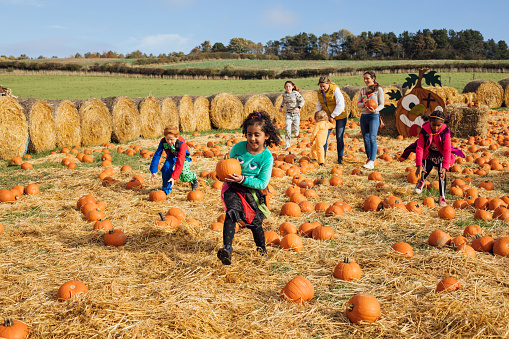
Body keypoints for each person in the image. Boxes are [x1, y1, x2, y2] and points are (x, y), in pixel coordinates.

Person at [217, 111, 282, 265]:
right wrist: (222, 175)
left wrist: (244, 179)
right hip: (233, 188)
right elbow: (227, 167)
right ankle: (227, 249)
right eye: (249, 134)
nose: (252, 138)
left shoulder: (266, 157)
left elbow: (262, 183)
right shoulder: (237, 148)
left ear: (266, 135)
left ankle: (261, 250)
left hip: (252, 192)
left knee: (255, 223)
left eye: (257, 135)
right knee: (231, 213)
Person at [400, 110, 465, 207]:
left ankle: (442, 196)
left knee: (442, 175)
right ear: (429, 122)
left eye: (438, 125)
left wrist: (445, 167)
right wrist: (418, 165)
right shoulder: (424, 131)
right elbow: (420, 147)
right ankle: (421, 180)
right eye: (433, 125)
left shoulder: (445, 132)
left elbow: (447, 149)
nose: (435, 128)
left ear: (443, 124)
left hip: (441, 155)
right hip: (429, 153)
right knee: (425, 168)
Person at [150, 125, 198, 194]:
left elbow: (180, 160)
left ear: (177, 137)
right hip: (171, 155)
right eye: (167, 139)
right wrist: (153, 170)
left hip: (184, 157)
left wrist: (174, 177)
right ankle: (166, 190)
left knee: (183, 173)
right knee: (166, 167)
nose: (169, 141)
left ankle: (193, 178)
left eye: (171, 139)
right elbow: (157, 155)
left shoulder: (181, 143)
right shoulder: (163, 142)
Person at [357, 71, 385, 170]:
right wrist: (363, 103)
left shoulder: (379, 90)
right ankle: (369, 159)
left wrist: (375, 110)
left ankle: (372, 161)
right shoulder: (362, 90)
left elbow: (382, 104)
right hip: (364, 117)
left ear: (373, 78)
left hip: (374, 117)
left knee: (372, 138)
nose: (365, 80)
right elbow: (358, 105)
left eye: (367, 78)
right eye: (364, 78)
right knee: (366, 139)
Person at [316, 76, 346, 164]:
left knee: (339, 137)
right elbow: (319, 105)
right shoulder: (319, 92)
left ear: (328, 84)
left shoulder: (335, 89)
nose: (322, 88)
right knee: (323, 137)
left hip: (339, 115)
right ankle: (322, 158)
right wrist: (319, 116)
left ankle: (340, 158)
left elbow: (340, 104)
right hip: (327, 117)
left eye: (323, 86)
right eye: (320, 86)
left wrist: (333, 116)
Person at [279, 80, 305, 150]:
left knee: (296, 128)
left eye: (289, 86)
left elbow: (302, 101)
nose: (288, 88)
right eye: (286, 87)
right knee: (287, 128)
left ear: (292, 87)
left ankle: (296, 132)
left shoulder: (296, 94)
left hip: (296, 114)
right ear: (285, 87)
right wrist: (281, 107)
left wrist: (299, 107)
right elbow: (283, 101)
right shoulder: (284, 94)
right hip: (288, 114)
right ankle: (287, 144)